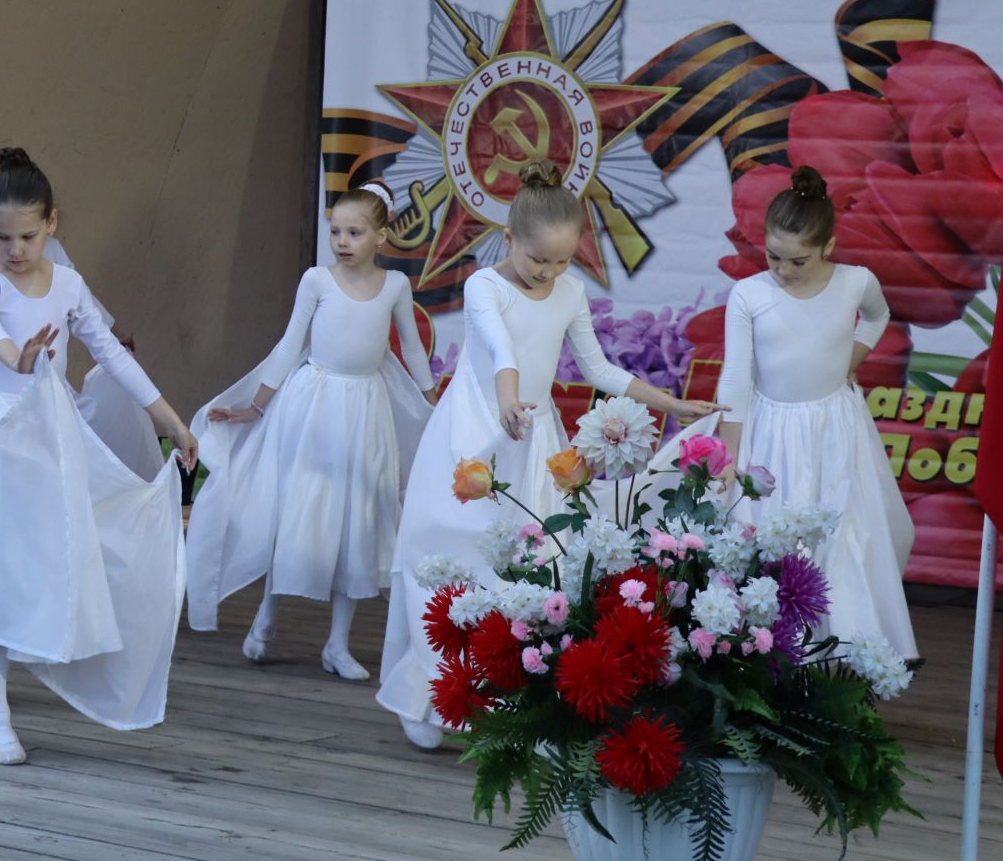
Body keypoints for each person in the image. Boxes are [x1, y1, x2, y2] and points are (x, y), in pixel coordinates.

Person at [376, 160, 724, 748]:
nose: (549, 272)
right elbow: (500, 346)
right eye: (539, 259)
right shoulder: (484, 284)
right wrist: (509, 402)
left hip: (531, 440)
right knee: (444, 556)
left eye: (562, 261)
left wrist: (670, 401)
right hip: (473, 434)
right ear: (508, 240)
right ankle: (430, 692)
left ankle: (518, 702)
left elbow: (598, 366)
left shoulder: (569, 292)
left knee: (533, 568)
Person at [0, 148, 198, 765]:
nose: (14, 248)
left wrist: (168, 416)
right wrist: (21, 359)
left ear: (53, 224)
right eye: (1, 236)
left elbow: (111, 353)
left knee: (42, 560)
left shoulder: (67, 283)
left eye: (28, 236)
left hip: (50, 442)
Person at [186, 180, 436, 679]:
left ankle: (338, 644)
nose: (342, 241)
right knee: (299, 512)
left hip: (365, 411)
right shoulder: (316, 280)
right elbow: (287, 346)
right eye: (336, 231)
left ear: (381, 237)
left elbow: (410, 349)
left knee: (358, 521)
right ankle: (267, 615)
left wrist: (435, 406)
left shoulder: (395, 287)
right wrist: (253, 408)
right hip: (313, 407)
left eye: (355, 232)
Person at [712, 165, 916, 657]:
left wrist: (851, 360)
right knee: (773, 535)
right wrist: (728, 455)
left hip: (835, 429)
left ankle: (840, 659)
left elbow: (878, 315)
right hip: (770, 431)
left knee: (844, 534)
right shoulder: (749, 295)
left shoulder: (855, 283)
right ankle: (772, 657)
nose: (782, 270)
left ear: (828, 247)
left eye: (797, 261)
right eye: (773, 256)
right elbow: (736, 377)